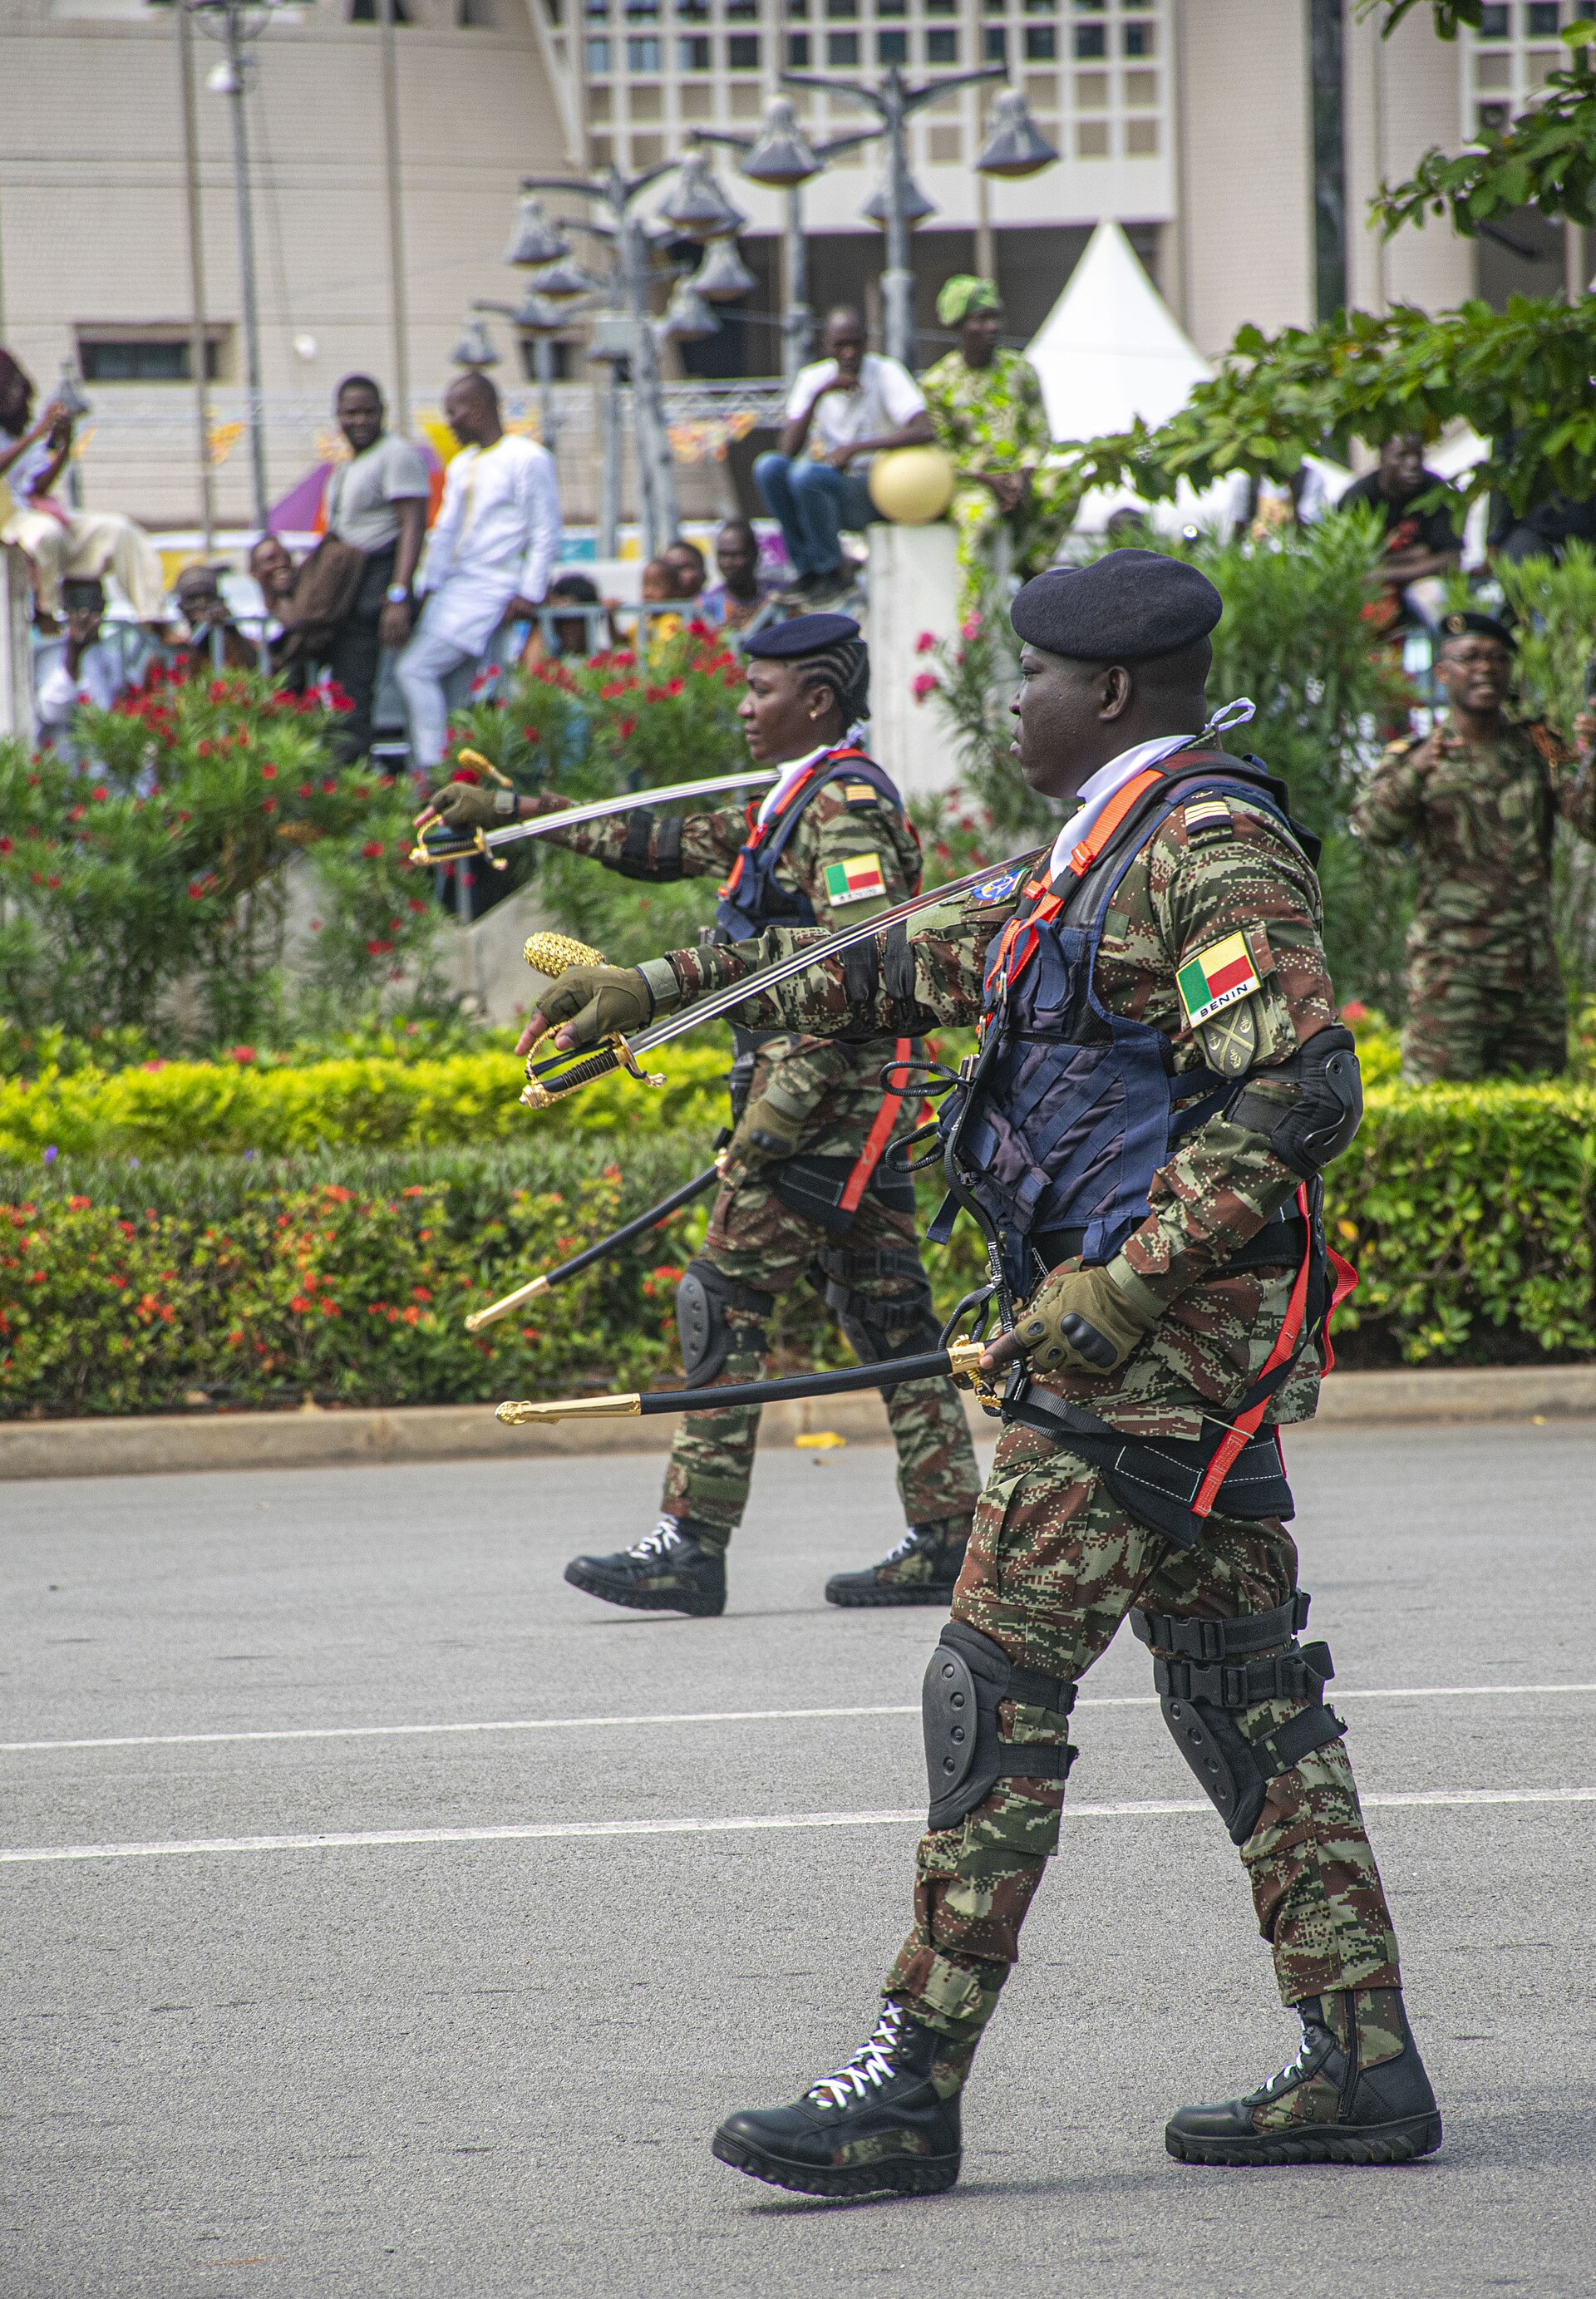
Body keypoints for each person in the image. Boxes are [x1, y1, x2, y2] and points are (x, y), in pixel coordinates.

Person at [524, 550, 1440, 2193]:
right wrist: (649, 994)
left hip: (1147, 1357)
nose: (1005, 699)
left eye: (1027, 677)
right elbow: (898, 958)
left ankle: (912, 2082)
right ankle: (1364, 2058)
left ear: (1106, 692)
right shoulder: (1102, 845)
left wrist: (1125, 1282)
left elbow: (1299, 1095)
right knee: (1244, 1691)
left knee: (990, 1685)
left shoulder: (1211, 847)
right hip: (1149, 1354)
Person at [423, 613, 983, 1617]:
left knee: (719, 1299)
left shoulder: (845, 804)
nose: (743, 703)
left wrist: (777, 1115)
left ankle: (691, 1541)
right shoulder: (791, 800)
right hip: (828, 1111)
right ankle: (949, 1535)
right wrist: (512, 812)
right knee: (889, 1313)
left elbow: (863, 973)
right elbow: (660, 839)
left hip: (831, 1109)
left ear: (816, 699)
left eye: (762, 688)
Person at [1352, 609, 1596, 1081]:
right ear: (1442, 673)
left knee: (1539, 1107)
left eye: (1496, 659)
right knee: (1436, 1105)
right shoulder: (1415, 754)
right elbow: (1374, 827)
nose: (1484, 669)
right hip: (1453, 968)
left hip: (1531, 966)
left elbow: (1589, 820)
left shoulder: (1540, 745)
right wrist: (1418, 771)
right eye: (1469, 659)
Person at [396, 372, 559, 771]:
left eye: (455, 411)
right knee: (450, 691)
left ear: (481, 407)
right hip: (453, 590)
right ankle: (456, 775)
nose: (449, 422)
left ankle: (432, 769)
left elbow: (545, 529)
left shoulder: (527, 457)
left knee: (414, 669)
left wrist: (529, 593)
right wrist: (429, 586)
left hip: (491, 588)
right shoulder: (461, 463)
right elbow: (446, 530)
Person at [754, 307, 933, 603]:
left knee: (806, 474)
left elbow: (925, 430)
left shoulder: (886, 371)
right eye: (840, 346)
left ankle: (835, 571)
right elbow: (786, 450)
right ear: (827, 346)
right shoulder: (813, 378)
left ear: (866, 341)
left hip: (876, 488)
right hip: (827, 488)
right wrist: (818, 396)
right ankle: (809, 572)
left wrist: (857, 448)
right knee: (768, 466)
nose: (849, 353)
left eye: (856, 344)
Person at [0, 348, 165, 628]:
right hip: (9, 523)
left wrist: (64, 445)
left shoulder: (17, 432)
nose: (18, 394)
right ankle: (45, 612)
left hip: (31, 513)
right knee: (45, 535)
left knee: (119, 530)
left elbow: (39, 486)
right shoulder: (23, 437)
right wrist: (37, 433)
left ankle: (152, 617)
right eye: (10, 386)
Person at [918, 276, 1057, 592]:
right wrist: (988, 480)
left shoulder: (1020, 371)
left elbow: (1039, 435)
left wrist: (1023, 474)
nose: (992, 327)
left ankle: (1032, 569)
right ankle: (974, 632)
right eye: (981, 319)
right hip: (971, 485)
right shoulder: (937, 383)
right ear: (959, 326)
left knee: (1067, 484)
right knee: (979, 519)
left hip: (1021, 477)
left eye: (996, 317)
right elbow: (941, 454)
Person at [320, 377, 430, 759]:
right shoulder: (345, 467)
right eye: (352, 412)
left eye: (369, 411)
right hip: (344, 590)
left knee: (355, 696)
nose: (361, 420)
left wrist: (398, 594)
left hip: (377, 584)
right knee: (337, 693)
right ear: (338, 417)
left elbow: (413, 524)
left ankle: (355, 787)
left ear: (383, 412)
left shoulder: (396, 454)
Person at [1333, 435, 1463, 634]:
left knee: (1434, 598)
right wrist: (1416, 554)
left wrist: (1385, 571)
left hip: (1419, 582)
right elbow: (1348, 565)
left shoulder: (1436, 491)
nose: (1412, 464)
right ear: (1382, 458)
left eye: (1418, 455)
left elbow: (1451, 559)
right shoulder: (1358, 497)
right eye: (1402, 456)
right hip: (1371, 590)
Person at [33, 577, 128, 746]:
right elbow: (51, 711)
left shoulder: (111, 656)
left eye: (93, 607)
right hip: (64, 766)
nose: (85, 616)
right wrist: (74, 651)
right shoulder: (48, 654)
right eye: (78, 607)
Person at [173, 563, 257, 677]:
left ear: (221, 601)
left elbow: (255, 671)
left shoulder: (246, 645)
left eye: (208, 596)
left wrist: (232, 629)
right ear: (180, 607)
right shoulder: (172, 655)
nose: (202, 604)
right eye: (192, 598)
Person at [700, 516, 778, 638]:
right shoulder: (706, 604)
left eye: (736, 555)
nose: (728, 563)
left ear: (755, 554)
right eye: (722, 555)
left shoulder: (778, 594)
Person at [519, 570, 604, 669]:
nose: (568, 628)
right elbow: (529, 669)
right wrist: (544, 614)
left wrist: (609, 615)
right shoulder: (550, 657)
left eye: (575, 619)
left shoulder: (604, 660)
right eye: (561, 620)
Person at [662, 537, 707, 607]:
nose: (674, 574)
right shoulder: (656, 609)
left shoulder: (714, 606)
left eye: (681, 568)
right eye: (669, 568)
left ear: (701, 574)